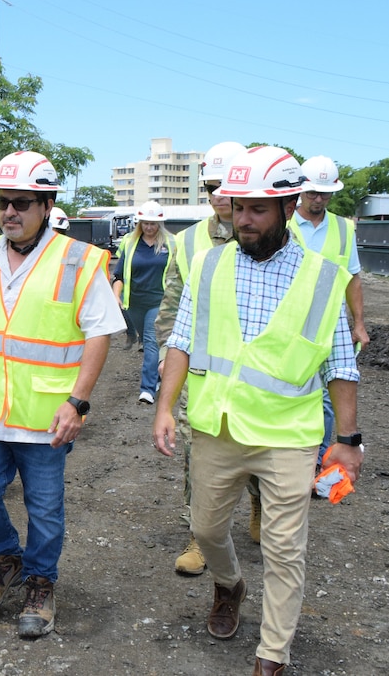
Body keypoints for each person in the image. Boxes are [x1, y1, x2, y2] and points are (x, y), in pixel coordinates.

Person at [153, 146, 363, 676]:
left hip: (288, 435)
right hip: (217, 426)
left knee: (285, 548)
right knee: (204, 528)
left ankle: (273, 656)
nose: (242, 219)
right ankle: (230, 585)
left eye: (257, 209)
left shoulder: (322, 277)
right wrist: (164, 406)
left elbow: (340, 364)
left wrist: (348, 439)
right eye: (237, 206)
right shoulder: (208, 263)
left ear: (288, 207)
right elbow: (181, 339)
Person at [0, 151, 124, 639]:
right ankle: (7, 559)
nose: (10, 211)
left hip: (48, 413)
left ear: (48, 203)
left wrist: (78, 402)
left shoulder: (79, 259)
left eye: (22, 202)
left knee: (45, 507)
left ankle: (40, 582)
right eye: (2, 203)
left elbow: (99, 333)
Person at [152, 141, 259, 576]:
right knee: (198, 456)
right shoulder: (189, 240)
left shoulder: (266, 233)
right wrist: (165, 355)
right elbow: (172, 305)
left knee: (256, 449)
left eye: (223, 186)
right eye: (210, 186)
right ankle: (199, 535)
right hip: (201, 372)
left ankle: (257, 504)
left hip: (257, 375)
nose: (217, 195)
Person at [292, 154, 369, 476]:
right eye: (312, 192)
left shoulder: (342, 228)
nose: (318, 198)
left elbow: (352, 276)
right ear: (301, 190)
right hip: (289, 321)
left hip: (328, 324)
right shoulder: (283, 224)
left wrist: (359, 323)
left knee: (325, 397)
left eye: (324, 193)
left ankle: (316, 463)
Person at [112, 200, 175, 403]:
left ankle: (147, 388)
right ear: (139, 223)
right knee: (147, 340)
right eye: (145, 223)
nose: (149, 227)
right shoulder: (130, 243)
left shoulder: (171, 243)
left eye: (153, 223)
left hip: (159, 301)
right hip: (134, 304)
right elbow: (119, 275)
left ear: (160, 224)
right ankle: (156, 377)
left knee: (150, 341)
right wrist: (115, 296)